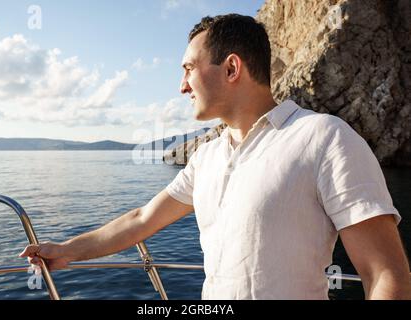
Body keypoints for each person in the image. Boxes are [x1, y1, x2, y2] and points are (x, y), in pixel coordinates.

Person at [20, 14, 411, 300]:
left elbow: (385, 275)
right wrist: (67, 251)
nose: (181, 85)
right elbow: (141, 220)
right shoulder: (206, 157)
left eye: (188, 68)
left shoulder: (323, 138)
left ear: (231, 68)